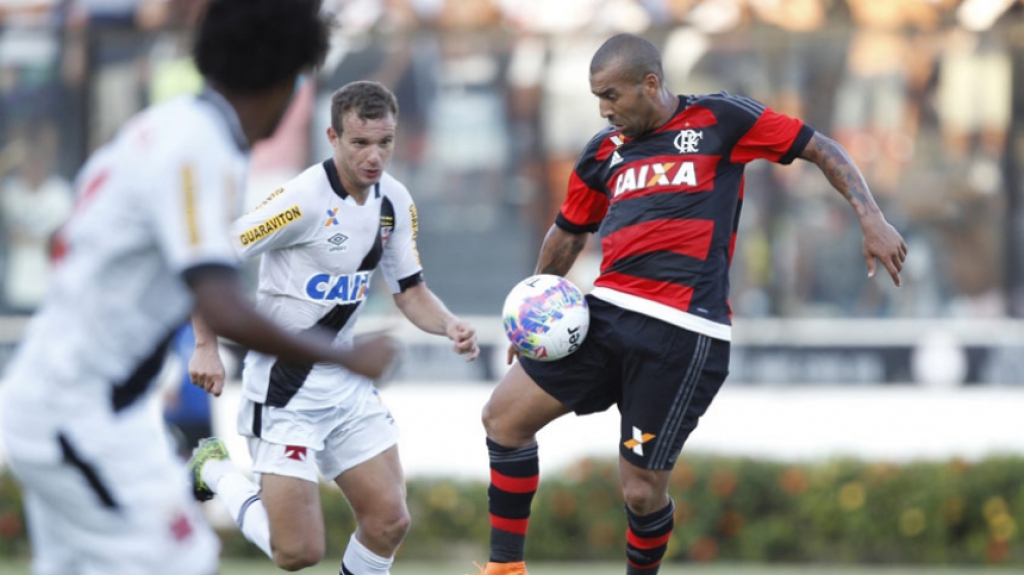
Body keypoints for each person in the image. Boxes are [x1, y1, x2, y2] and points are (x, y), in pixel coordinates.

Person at [470, 34, 908, 575]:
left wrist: (872, 217)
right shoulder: (603, 152)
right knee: (503, 417)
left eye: (611, 95)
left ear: (650, 84)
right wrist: (532, 312)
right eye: (596, 98)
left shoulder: (720, 118)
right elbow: (567, 234)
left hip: (680, 333)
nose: (604, 110)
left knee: (640, 493)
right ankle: (504, 570)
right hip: (605, 315)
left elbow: (818, 146)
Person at [0, 3, 399, 575]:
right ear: (286, 81)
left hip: (78, 401)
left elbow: (66, 239)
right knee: (182, 560)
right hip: (80, 412)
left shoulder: (160, 126)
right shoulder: (200, 146)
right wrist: (345, 355)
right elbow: (221, 302)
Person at [186, 80, 480, 575]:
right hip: (285, 388)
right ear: (333, 136)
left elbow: (409, 290)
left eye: (384, 142)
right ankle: (213, 467)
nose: (374, 156)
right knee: (297, 553)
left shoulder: (395, 201)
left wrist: (448, 324)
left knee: (389, 521)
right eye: (360, 142)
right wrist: (204, 346)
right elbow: (210, 259)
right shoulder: (300, 200)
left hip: (345, 383)